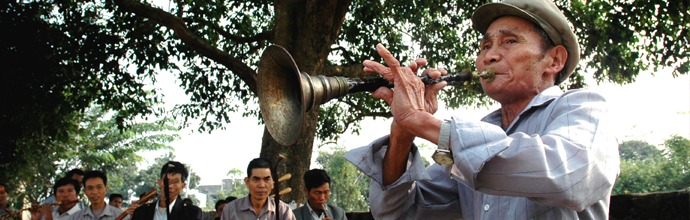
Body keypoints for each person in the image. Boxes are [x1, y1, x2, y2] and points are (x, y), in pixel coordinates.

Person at [344, 0, 620, 219]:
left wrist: (421, 120)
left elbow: (566, 176)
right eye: (485, 46)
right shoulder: (482, 135)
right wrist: (404, 129)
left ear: (554, 59)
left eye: (510, 41)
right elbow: (397, 212)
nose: (488, 55)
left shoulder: (583, 107)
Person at [221, 158, 295, 220]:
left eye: (266, 179)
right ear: (247, 182)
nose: (262, 185)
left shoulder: (283, 211)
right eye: (256, 179)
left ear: (272, 183)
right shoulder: (230, 211)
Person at [130, 161, 202, 220]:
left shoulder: (191, 214)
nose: (170, 186)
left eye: (175, 182)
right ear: (159, 183)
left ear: (182, 186)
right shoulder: (141, 212)